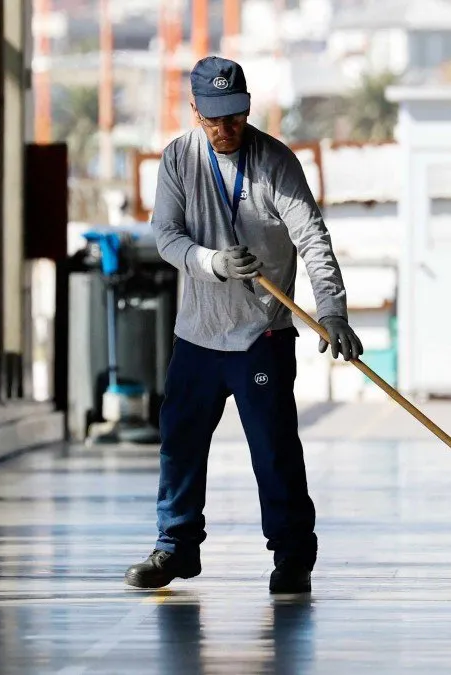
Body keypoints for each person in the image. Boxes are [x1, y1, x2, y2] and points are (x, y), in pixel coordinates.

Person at [125, 56, 363, 593]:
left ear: (248, 106)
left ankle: (293, 555)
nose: (225, 129)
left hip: (263, 335)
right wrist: (211, 261)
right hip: (198, 338)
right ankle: (176, 548)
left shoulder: (275, 163)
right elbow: (166, 234)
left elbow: (312, 238)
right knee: (180, 443)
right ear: (195, 111)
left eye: (235, 116)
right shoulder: (178, 159)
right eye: (214, 118)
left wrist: (333, 310)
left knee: (274, 449)